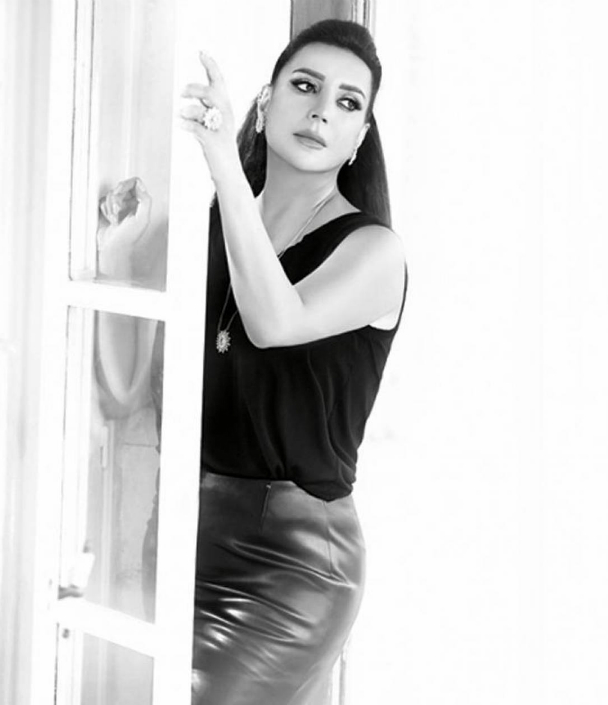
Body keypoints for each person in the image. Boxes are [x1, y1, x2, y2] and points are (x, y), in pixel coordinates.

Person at [175, 19, 406, 704]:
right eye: (305, 86)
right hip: (182, 533)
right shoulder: (211, 231)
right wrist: (122, 256)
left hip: (291, 564)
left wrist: (223, 160)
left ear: (360, 136)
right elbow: (129, 386)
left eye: (347, 102)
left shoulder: (374, 251)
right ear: (266, 99)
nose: (321, 111)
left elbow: (276, 322)